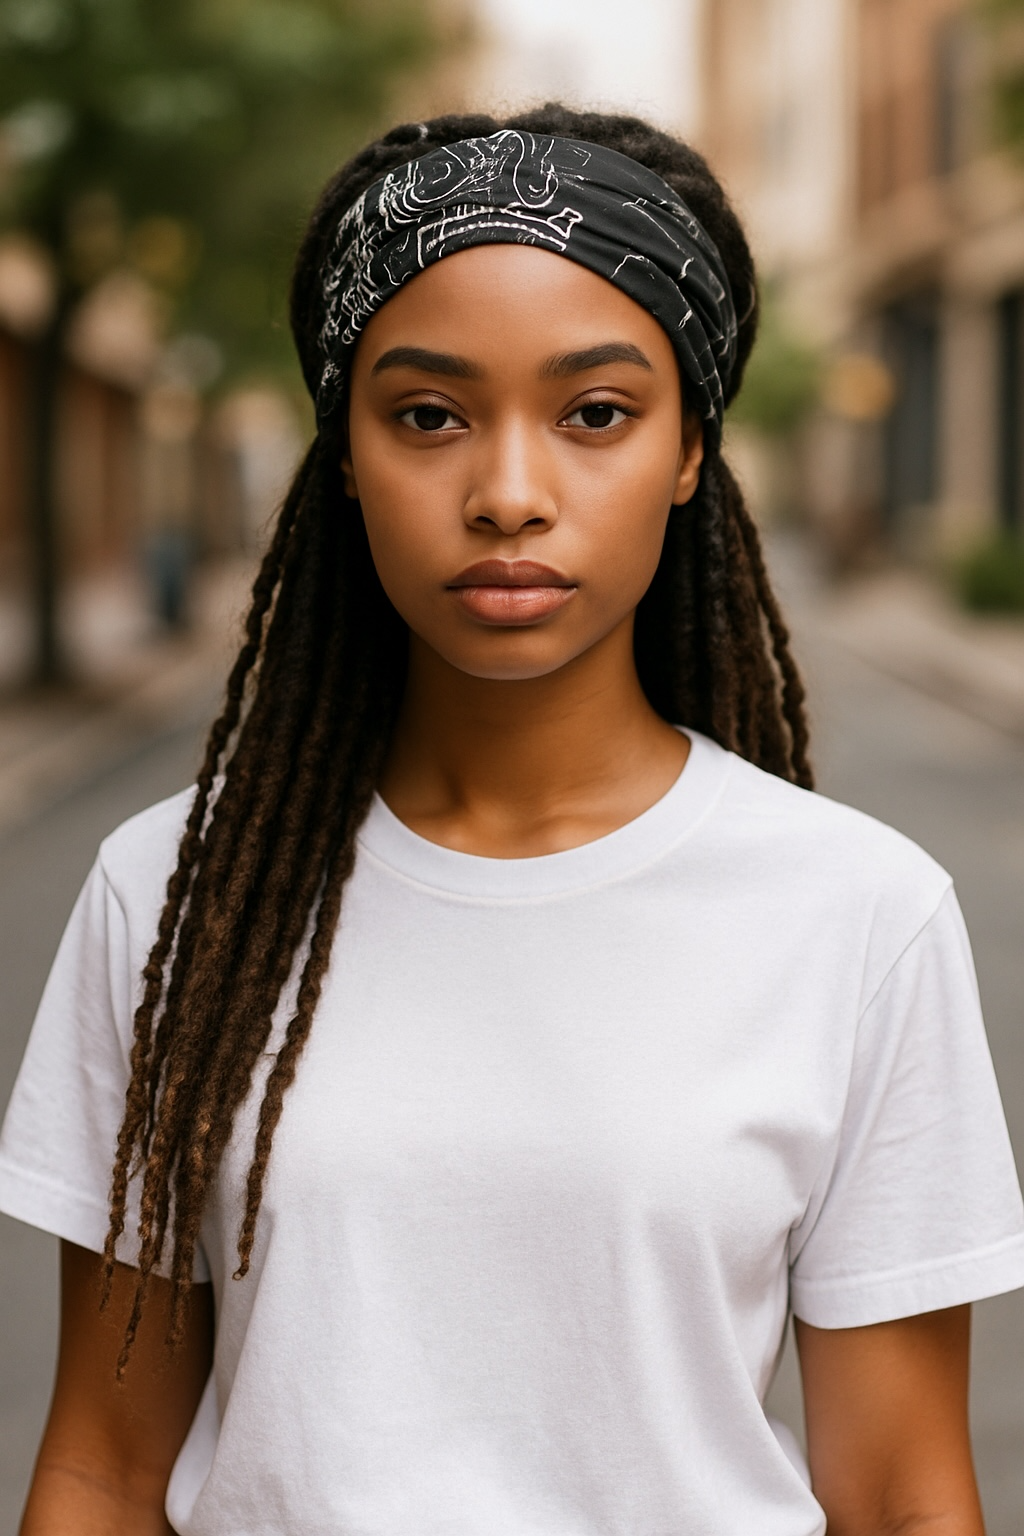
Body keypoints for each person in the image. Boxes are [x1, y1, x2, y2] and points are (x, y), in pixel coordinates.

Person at [2, 106, 1022, 1536]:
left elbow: (909, 1495)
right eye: (428, 414)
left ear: (689, 451)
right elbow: (102, 1466)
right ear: (344, 452)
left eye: (596, 412)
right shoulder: (177, 893)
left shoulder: (857, 912)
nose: (509, 495)